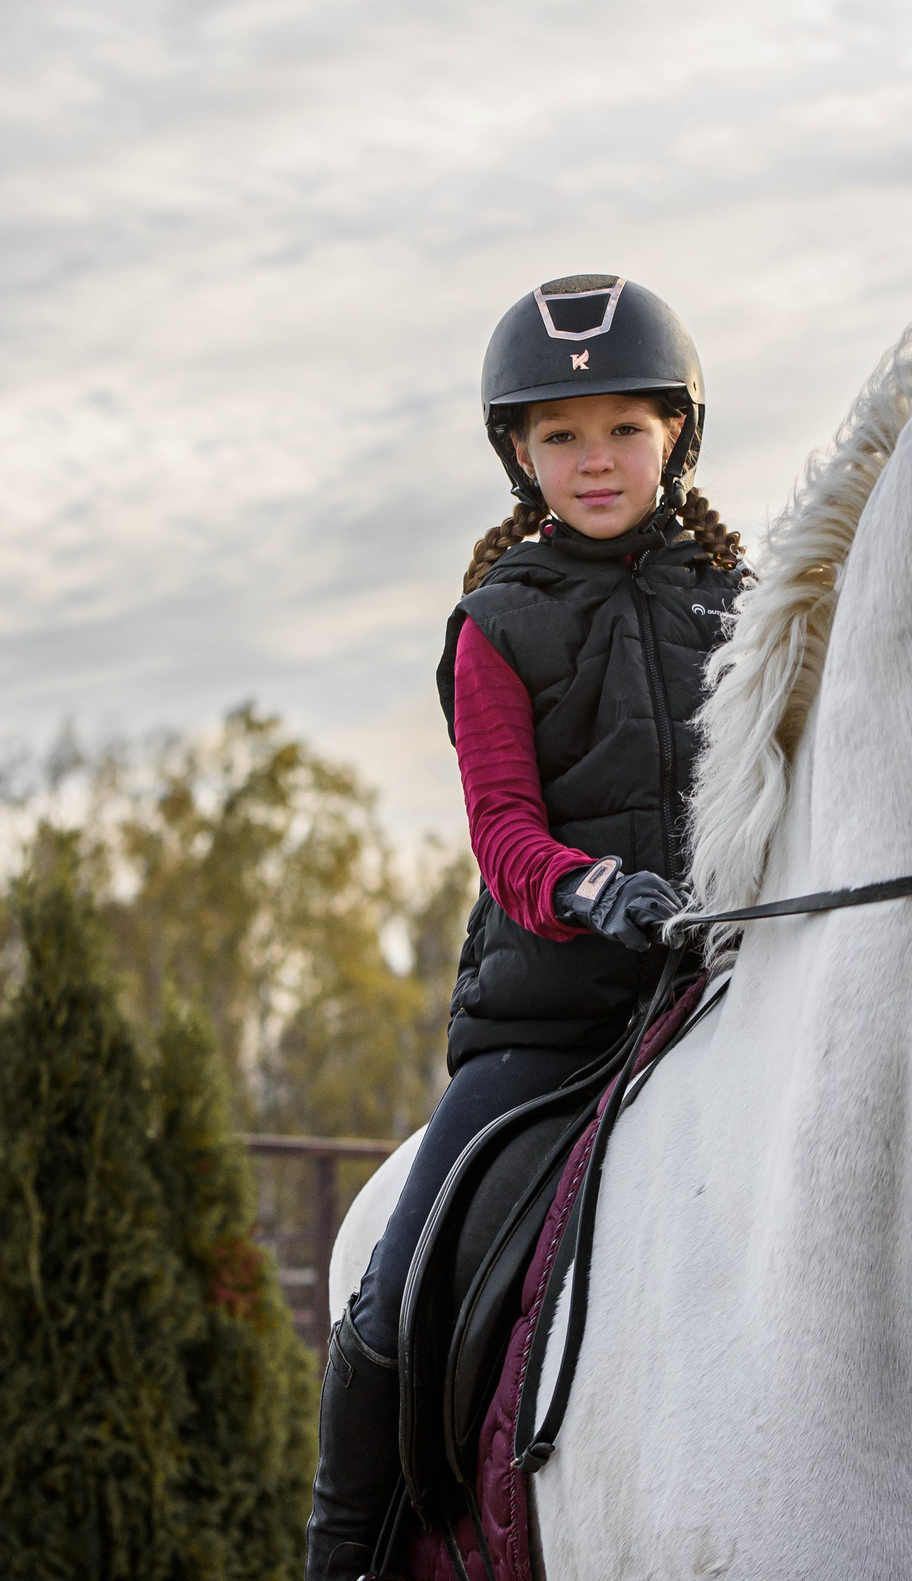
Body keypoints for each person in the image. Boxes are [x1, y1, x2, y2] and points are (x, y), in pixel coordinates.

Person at [307, 275, 747, 1580]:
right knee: (388, 1302)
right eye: (562, 435)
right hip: (552, 1019)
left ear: (676, 433)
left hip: (733, 987)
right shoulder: (494, 627)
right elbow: (503, 831)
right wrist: (596, 890)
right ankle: (344, 1555)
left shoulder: (752, 604)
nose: (594, 459)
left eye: (621, 427)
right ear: (519, 453)